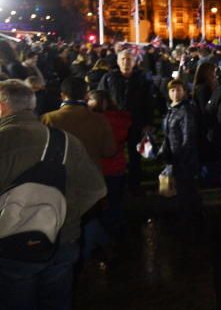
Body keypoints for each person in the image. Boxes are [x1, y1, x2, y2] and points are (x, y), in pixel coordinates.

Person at [0, 79, 106, 310]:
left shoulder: (4, 141)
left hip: (11, 251)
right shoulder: (62, 140)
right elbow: (95, 187)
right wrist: (60, 217)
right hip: (61, 244)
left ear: (4, 107)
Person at [41, 77, 116, 261]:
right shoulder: (98, 119)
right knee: (89, 219)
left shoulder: (49, 119)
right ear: (85, 94)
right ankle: (87, 255)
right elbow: (110, 150)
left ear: (62, 95)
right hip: (91, 180)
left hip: (59, 181)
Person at [98, 48, 155, 195]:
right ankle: (115, 185)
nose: (126, 62)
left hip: (135, 122)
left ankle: (134, 186)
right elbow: (101, 98)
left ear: (135, 62)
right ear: (118, 61)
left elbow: (148, 102)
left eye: (129, 59)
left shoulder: (142, 79)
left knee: (135, 155)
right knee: (114, 155)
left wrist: (148, 123)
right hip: (114, 123)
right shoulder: (109, 78)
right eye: (123, 59)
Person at [87, 89, 131, 239]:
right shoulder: (121, 118)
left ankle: (106, 237)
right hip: (118, 166)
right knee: (116, 201)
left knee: (103, 204)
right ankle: (119, 233)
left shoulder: (96, 120)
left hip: (102, 168)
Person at [159, 79, 201, 221]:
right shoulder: (171, 109)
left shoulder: (186, 110)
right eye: (172, 90)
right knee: (183, 189)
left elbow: (188, 135)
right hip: (174, 156)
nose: (175, 93)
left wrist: (182, 156)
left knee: (186, 189)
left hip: (184, 158)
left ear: (184, 91)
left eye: (178, 90)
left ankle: (190, 219)